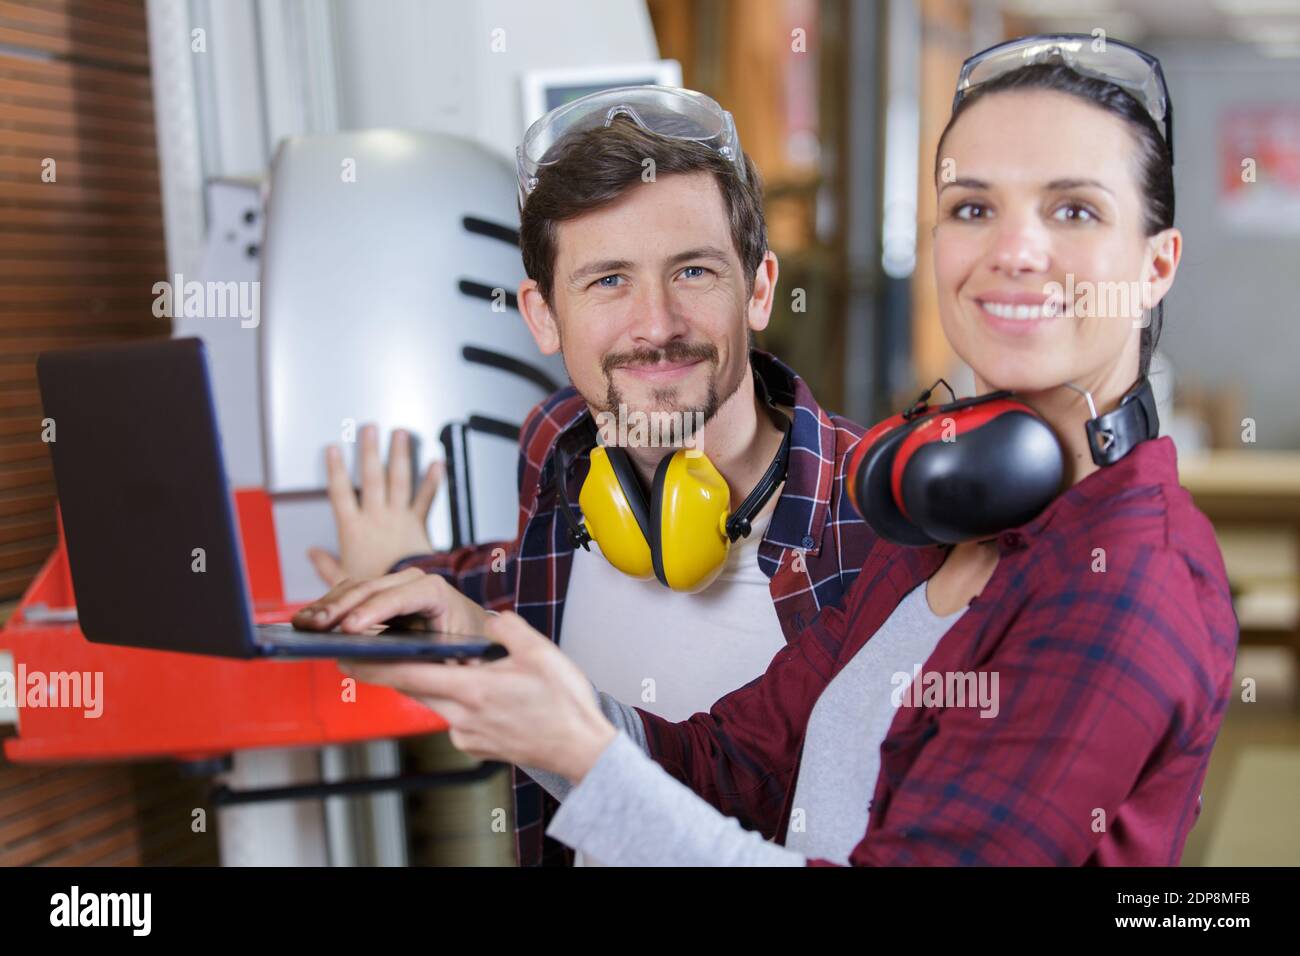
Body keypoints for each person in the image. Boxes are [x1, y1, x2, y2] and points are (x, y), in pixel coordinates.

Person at [306, 36, 1240, 866]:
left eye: (1074, 211)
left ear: (1156, 264)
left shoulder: (1124, 580)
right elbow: (733, 766)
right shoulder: (933, 522)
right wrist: (493, 655)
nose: (1016, 251)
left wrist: (577, 754)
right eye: (973, 208)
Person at [298, 86, 877, 866]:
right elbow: (516, 584)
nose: (657, 324)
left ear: (760, 287)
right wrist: (403, 574)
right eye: (608, 280)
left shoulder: (872, 518)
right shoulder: (557, 451)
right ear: (542, 316)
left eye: (695, 272)